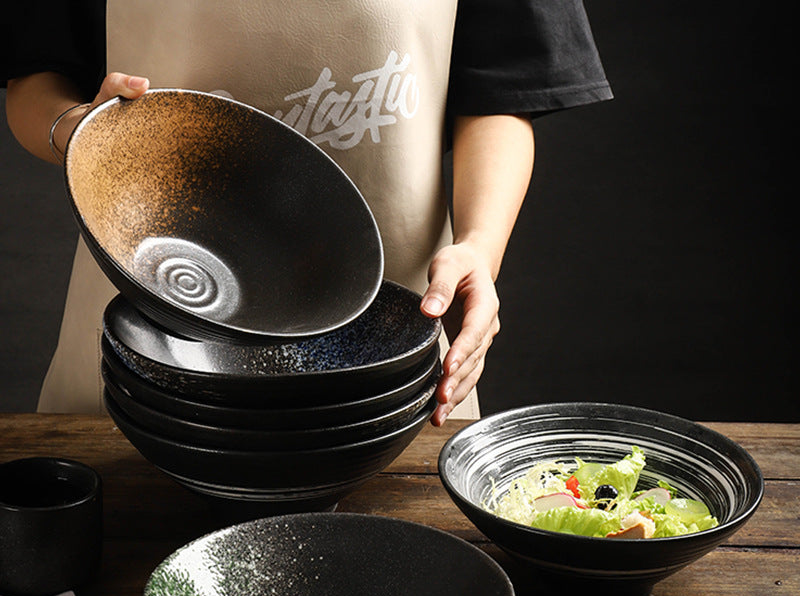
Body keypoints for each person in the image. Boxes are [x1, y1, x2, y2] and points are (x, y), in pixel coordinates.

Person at [3, 1, 611, 425]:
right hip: (149, 328)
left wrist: (479, 247)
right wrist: (80, 130)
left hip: (389, 350)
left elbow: (503, 94)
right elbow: (34, 77)